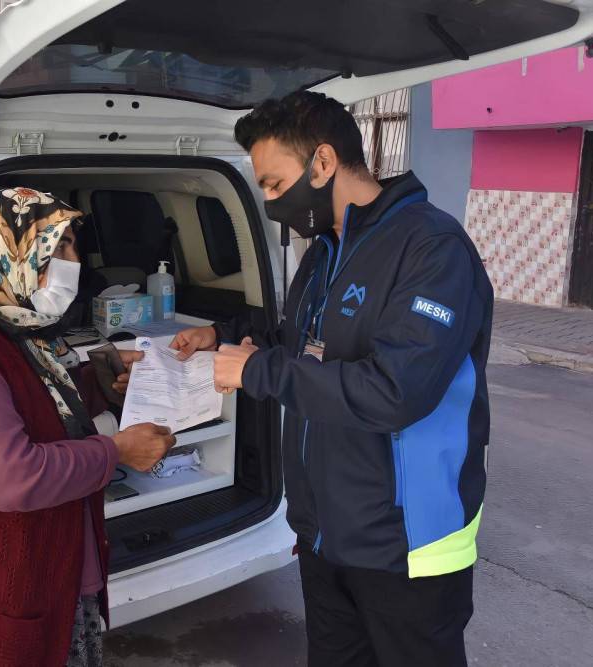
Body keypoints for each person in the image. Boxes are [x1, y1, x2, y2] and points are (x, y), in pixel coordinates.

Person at [172, 92, 492, 667]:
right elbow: (304, 346)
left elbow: (395, 391)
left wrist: (259, 371)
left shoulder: (432, 248)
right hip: (325, 533)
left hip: (408, 547)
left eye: (273, 184)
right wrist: (224, 340)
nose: (270, 202)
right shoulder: (325, 251)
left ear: (322, 164)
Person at [0, 187, 175, 667]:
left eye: (72, 246)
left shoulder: (15, 326)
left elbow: (37, 403)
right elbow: (13, 476)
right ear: (8, 251)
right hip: (4, 594)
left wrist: (104, 375)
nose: (73, 262)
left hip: (56, 571)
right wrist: (116, 452)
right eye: (58, 248)